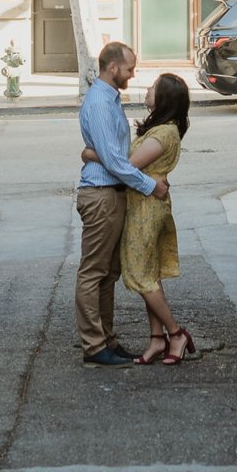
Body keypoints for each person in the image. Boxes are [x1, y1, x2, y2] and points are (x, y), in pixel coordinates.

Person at [76, 40, 167, 366]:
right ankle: (94, 346)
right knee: (93, 273)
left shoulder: (110, 99)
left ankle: (107, 341)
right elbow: (115, 161)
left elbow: (110, 154)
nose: (132, 74)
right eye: (129, 68)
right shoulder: (100, 103)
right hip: (101, 196)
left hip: (111, 194)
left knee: (108, 273)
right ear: (112, 67)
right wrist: (150, 186)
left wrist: (91, 153)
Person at [101, 72, 197, 365]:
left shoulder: (164, 133)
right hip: (143, 205)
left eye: (153, 87)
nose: (147, 89)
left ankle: (175, 333)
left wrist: (95, 154)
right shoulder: (160, 129)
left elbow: (127, 167)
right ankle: (157, 340)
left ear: (164, 97)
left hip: (146, 211)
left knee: (140, 274)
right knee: (149, 274)